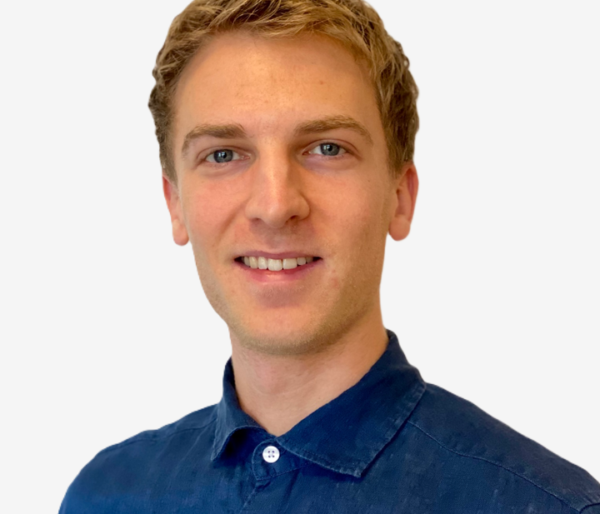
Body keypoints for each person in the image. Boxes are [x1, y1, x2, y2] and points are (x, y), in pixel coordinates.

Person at [59, 0, 600, 512]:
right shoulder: (105, 498)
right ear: (175, 203)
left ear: (400, 196)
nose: (275, 206)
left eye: (327, 149)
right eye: (223, 154)